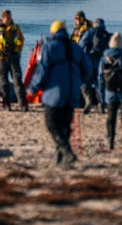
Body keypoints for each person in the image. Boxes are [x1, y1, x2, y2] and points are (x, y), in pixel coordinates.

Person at [28, 20, 90, 166]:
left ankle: (67, 152)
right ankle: (61, 159)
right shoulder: (76, 47)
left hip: (54, 94)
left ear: (53, 32)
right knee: (65, 125)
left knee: (51, 124)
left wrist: (33, 89)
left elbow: (42, 71)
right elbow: (88, 68)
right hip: (72, 92)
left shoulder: (49, 47)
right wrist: (78, 81)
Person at [0, 9, 29, 111]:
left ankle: (22, 104)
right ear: (2, 18)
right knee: (3, 82)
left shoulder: (16, 28)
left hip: (13, 57)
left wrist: (17, 49)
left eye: (10, 18)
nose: (9, 20)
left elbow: (21, 39)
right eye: (7, 18)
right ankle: (6, 105)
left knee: (17, 80)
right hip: (1, 58)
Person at [79, 18, 110, 114]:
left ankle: (88, 99)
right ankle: (101, 104)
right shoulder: (106, 34)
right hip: (101, 64)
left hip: (89, 62)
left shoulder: (90, 32)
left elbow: (81, 45)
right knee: (99, 84)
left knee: (84, 82)